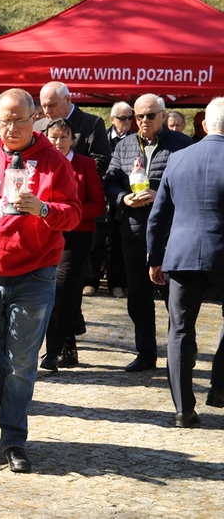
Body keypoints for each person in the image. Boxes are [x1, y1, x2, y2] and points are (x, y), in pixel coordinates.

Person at [0, 88, 81, 473]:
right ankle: (11, 396)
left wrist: (45, 208)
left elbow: (75, 214)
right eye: (3, 120)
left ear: (34, 119)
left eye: (18, 120)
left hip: (35, 272)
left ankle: (13, 438)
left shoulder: (53, 162)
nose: (11, 127)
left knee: (21, 361)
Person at [146, 96, 224, 428]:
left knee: (179, 331)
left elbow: (158, 215)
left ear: (205, 124)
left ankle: (182, 408)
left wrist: (155, 257)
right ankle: (219, 388)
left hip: (182, 254)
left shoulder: (177, 159)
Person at [103, 94, 193, 372]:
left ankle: (178, 356)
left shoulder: (182, 144)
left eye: (149, 116)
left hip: (171, 233)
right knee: (138, 296)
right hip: (134, 229)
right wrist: (121, 199)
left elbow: (191, 183)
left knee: (174, 299)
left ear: (163, 116)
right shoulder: (126, 144)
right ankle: (145, 353)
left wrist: (162, 194)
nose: (142, 121)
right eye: (136, 116)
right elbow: (111, 179)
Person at [41, 118, 105, 371]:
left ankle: (53, 351)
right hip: (45, 233)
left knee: (63, 288)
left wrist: (71, 213)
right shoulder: (39, 162)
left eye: (63, 137)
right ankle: (67, 346)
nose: (58, 142)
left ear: (72, 139)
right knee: (49, 291)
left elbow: (98, 205)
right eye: (53, 137)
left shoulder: (85, 164)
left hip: (76, 235)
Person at [85, 101, 135, 299]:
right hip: (101, 199)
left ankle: (117, 284)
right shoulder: (101, 138)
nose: (127, 122)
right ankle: (90, 281)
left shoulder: (135, 141)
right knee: (95, 243)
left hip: (123, 199)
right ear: (112, 119)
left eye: (130, 118)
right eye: (123, 118)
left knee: (119, 244)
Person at [34, 81, 111, 175]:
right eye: (44, 106)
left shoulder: (92, 124)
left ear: (67, 100)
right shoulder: (37, 126)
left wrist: (71, 178)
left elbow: (101, 162)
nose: (47, 111)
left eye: (52, 105)